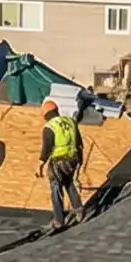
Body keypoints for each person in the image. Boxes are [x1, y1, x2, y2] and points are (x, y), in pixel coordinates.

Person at [40, 98, 85, 229]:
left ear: (45, 114)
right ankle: (79, 210)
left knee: (56, 188)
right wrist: (80, 160)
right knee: (69, 182)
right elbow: (79, 142)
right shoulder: (70, 121)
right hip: (73, 158)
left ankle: (59, 220)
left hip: (58, 162)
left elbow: (46, 149)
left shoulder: (49, 127)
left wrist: (40, 165)